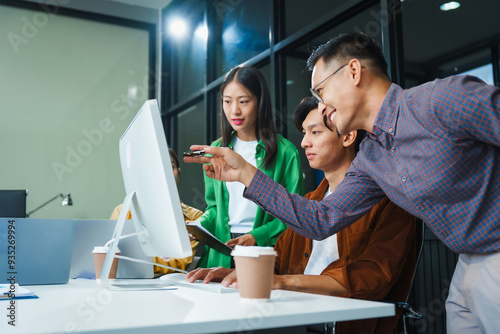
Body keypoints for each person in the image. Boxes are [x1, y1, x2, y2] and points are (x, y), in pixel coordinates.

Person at [185, 32, 500, 333]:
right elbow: (320, 220)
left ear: (353, 72)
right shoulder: (372, 160)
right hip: (467, 262)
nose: (321, 109)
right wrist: (244, 172)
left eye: (321, 92)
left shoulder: (442, 98)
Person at [186, 98, 417, 333]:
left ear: (348, 136)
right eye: (304, 133)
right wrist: (238, 274)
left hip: (349, 324)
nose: (305, 142)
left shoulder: (389, 199)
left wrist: (284, 282)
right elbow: (280, 259)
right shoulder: (309, 203)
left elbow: (374, 276)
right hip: (294, 318)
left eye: (315, 132)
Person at [195, 65, 304, 269]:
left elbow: (295, 214)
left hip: (262, 250)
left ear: (260, 102)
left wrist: (257, 236)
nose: (234, 110)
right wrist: (197, 228)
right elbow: (214, 208)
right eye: (227, 102)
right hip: (221, 250)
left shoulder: (286, 152)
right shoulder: (217, 150)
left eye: (244, 101)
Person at [110, 148, 203, 275]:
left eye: (170, 167)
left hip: (169, 285)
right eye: (156, 167)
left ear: (178, 172)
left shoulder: (194, 217)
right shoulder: (123, 211)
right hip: (127, 281)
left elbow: (178, 263)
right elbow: (110, 254)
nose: (164, 173)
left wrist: (133, 260)